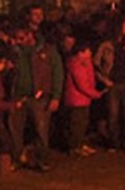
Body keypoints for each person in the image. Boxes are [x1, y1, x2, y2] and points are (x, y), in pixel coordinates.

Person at [8, 26, 62, 171]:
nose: (19, 42)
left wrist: (56, 96)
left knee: (41, 129)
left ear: (30, 35)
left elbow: (58, 73)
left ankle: (42, 159)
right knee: (15, 129)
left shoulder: (47, 51)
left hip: (40, 97)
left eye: (22, 38)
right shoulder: (14, 53)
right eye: (17, 39)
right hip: (18, 96)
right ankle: (17, 158)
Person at [94, 18, 125, 151]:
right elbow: (96, 64)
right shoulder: (106, 45)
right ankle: (114, 142)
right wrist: (104, 80)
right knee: (113, 113)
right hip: (113, 83)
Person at [61, 42, 102, 156]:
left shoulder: (84, 63)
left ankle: (79, 144)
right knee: (77, 124)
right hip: (77, 100)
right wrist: (94, 94)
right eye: (88, 51)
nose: (91, 53)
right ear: (80, 53)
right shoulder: (76, 64)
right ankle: (74, 146)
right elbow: (82, 84)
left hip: (84, 99)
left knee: (82, 123)